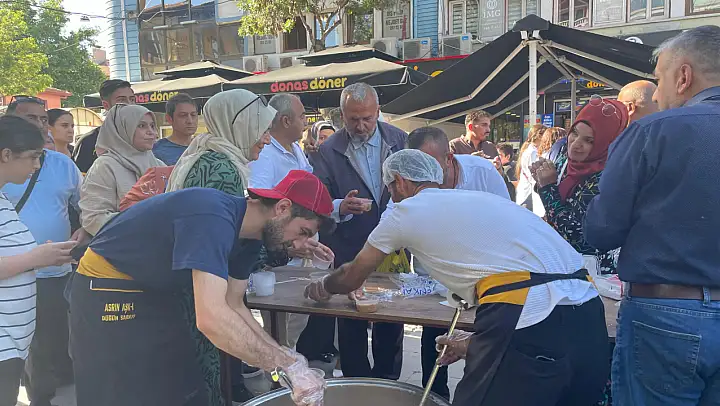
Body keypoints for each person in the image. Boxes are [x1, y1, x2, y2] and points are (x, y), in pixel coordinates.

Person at [305, 149, 609, 406]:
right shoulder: (479, 200)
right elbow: (529, 285)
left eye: (390, 189)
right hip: (587, 310)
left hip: (527, 311)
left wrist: (324, 286)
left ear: (400, 182)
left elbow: (353, 275)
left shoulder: (404, 212)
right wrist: (474, 343)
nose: (392, 196)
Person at [69, 171, 331, 406]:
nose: (300, 245)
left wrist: (287, 360)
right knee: (128, 390)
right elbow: (212, 318)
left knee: (182, 387)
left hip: (156, 292)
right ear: (282, 208)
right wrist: (282, 364)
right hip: (106, 288)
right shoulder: (212, 215)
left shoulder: (251, 238)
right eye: (303, 232)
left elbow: (233, 304)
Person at [584, 26, 720, 406]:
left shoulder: (652, 131)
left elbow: (602, 230)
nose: (656, 94)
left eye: (659, 80)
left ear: (684, 76)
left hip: (666, 316)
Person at [166, 89, 275, 404]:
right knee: (202, 379)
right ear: (239, 125)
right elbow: (222, 238)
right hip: (196, 287)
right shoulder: (222, 169)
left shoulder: (208, 155)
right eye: (262, 129)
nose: (266, 139)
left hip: (187, 282)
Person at [310, 82, 406, 380]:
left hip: (393, 247)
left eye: (367, 118)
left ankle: (387, 384)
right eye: (353, 119)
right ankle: (355, 383)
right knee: (350, 323)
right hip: (349, 247)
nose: (361, 126)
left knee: (391, 319)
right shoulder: (328, 150)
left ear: (378, 111)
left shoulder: (400, 140)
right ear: (342, 116)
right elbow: (317, 201)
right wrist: (340, 206)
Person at [405, 127, 509, 400]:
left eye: (431, 164)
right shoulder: (409, 180)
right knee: (434, 338)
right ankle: (435, 396)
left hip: (485, 275)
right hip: (437, 277)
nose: (424, 174)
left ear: (448, 158)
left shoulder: (483, 174)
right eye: (418, 166)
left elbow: (506, 222)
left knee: (481, 345)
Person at [6, 99, 89, 406]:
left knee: (51, 340)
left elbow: (85, 205)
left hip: (53, 274)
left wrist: (85, 229)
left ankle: (44, 392)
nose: (40, 126)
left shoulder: (63, 165)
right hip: (11, 293)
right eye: (31, 119)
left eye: (44, 119)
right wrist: (33, 258)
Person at [249, 93, 334, 354]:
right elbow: (260, 204)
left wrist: (309, 240)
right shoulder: (265, 155)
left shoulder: (296, 149)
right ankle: (278, 372)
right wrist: (290, 245)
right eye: (302, 116)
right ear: (285, 121)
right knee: (279, 334)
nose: (306, 121)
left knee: (293, 330)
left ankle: (287, 367)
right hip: (278, 260)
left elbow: (309, 199)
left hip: (299, 258)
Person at [532, 98, 627, 276]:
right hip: (559, 263)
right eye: (574, 133)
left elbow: (576, 235)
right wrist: (541, 178)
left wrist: (547, 188)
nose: (576, 144)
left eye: (589, 140)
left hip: (592, 274)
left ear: (605, 143)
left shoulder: (609, 177)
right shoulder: (564, 157)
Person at [79, 104, 164, 236]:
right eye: (142, 126)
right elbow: (93, 219)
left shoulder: (158, 164)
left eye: (152, 126)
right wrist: (143, 223)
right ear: (123, 129)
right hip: (123, 244)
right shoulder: (105, 166)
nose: (151, 132)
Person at [73, 80, 135, 173]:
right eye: (122, 100)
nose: (129, 104)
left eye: (132, 99)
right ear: (106, 105)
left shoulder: (142, 138)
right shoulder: (88, 142)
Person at [152, 93, 199, 165]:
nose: (190, 121)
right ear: (169, 119)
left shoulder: (203, 146)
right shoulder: (157, 150)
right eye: (183, 115)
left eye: (193, 115)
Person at [515, 124, 547, 216]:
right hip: (529, 195)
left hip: (527, 193)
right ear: (539, 136)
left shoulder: (530, 150)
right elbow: (533, 175)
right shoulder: (532, 153)